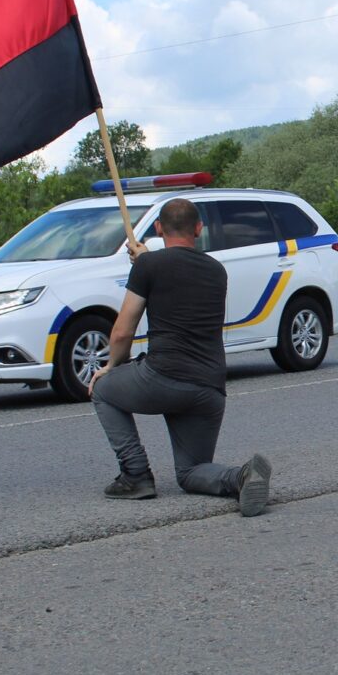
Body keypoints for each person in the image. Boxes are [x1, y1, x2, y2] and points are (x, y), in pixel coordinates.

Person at [88, 198, 271, 514]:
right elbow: (178, 273)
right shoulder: (216, 271)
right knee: (191, 471)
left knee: (103, 390)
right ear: (199, 229)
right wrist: (147, 261)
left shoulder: (150, 266)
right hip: (209, 388)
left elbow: (121, 331)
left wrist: (110, 367)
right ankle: (239, 477)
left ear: (158, 228)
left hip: (163, 377)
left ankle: (135, 474)